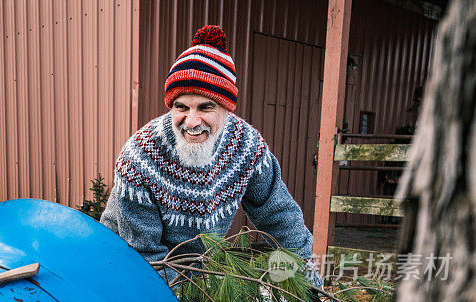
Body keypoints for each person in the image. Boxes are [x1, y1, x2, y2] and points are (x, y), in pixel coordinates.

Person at [101, 25, 322, 287]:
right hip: (128, 271)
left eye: (206, 107)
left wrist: (308, 283)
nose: (192, 122)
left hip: (203, 272)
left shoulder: (246, 147)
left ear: (227, 109)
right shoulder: (140, 157)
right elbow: (145, 255)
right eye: (181, 107)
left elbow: (280, 217)